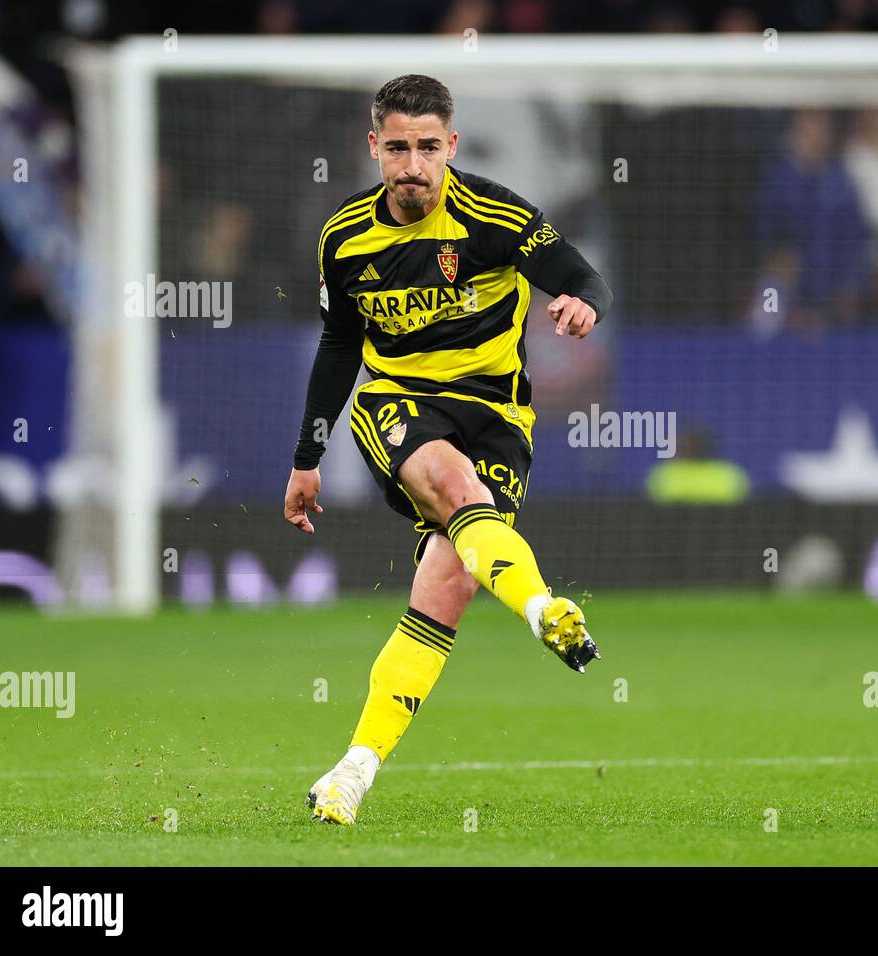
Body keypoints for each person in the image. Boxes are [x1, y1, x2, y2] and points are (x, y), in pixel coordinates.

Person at [283, 75, 612, 824]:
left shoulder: (494, 216)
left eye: (427, 148)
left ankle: (350, 774)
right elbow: (339, 346)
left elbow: (581, 274)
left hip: (499, 419)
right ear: (374, 148)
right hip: (398, 405)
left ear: (450, 147)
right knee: (457, 490)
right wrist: (307, 458)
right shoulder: (345, 239)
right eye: (396, 148)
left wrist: (585, 301)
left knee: (448, 585)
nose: (412, 166)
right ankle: (541, 609)